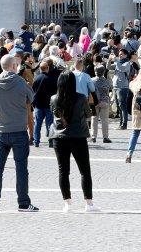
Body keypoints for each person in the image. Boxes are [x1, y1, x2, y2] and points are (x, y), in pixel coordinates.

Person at [0, 53, 38, 211]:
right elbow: (31, 98)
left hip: (0, 130)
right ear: (14, 66)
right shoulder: (21, 82)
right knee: (21, 168)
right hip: (18, 130)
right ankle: (23, 203)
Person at [51, 69, 98, 212]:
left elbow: (54, 113)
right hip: (78, 136)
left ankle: (67, 203)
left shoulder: (54, 98)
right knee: (85, 171)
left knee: (63, 171)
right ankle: (88, 203)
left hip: (59, 137)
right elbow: (88, 114)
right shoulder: (81, 97)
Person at [30, 59, 58, 146]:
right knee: (50, 123)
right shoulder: (51, 79)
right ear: (48, 68)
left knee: (37, 124)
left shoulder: (36, 78)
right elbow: (55, 92)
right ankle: (50, 141)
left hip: (38, 104)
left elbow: (33, 91)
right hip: (48, 104)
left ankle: (36, 141)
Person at [90, 65, 112, 143]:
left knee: (94, 119)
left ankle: (93, 136)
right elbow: (111, 87)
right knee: (105, 120)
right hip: (104, 101)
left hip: (94, 102)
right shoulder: (106, 81)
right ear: (103, 72)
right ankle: (105, 137)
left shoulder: (92, 80)